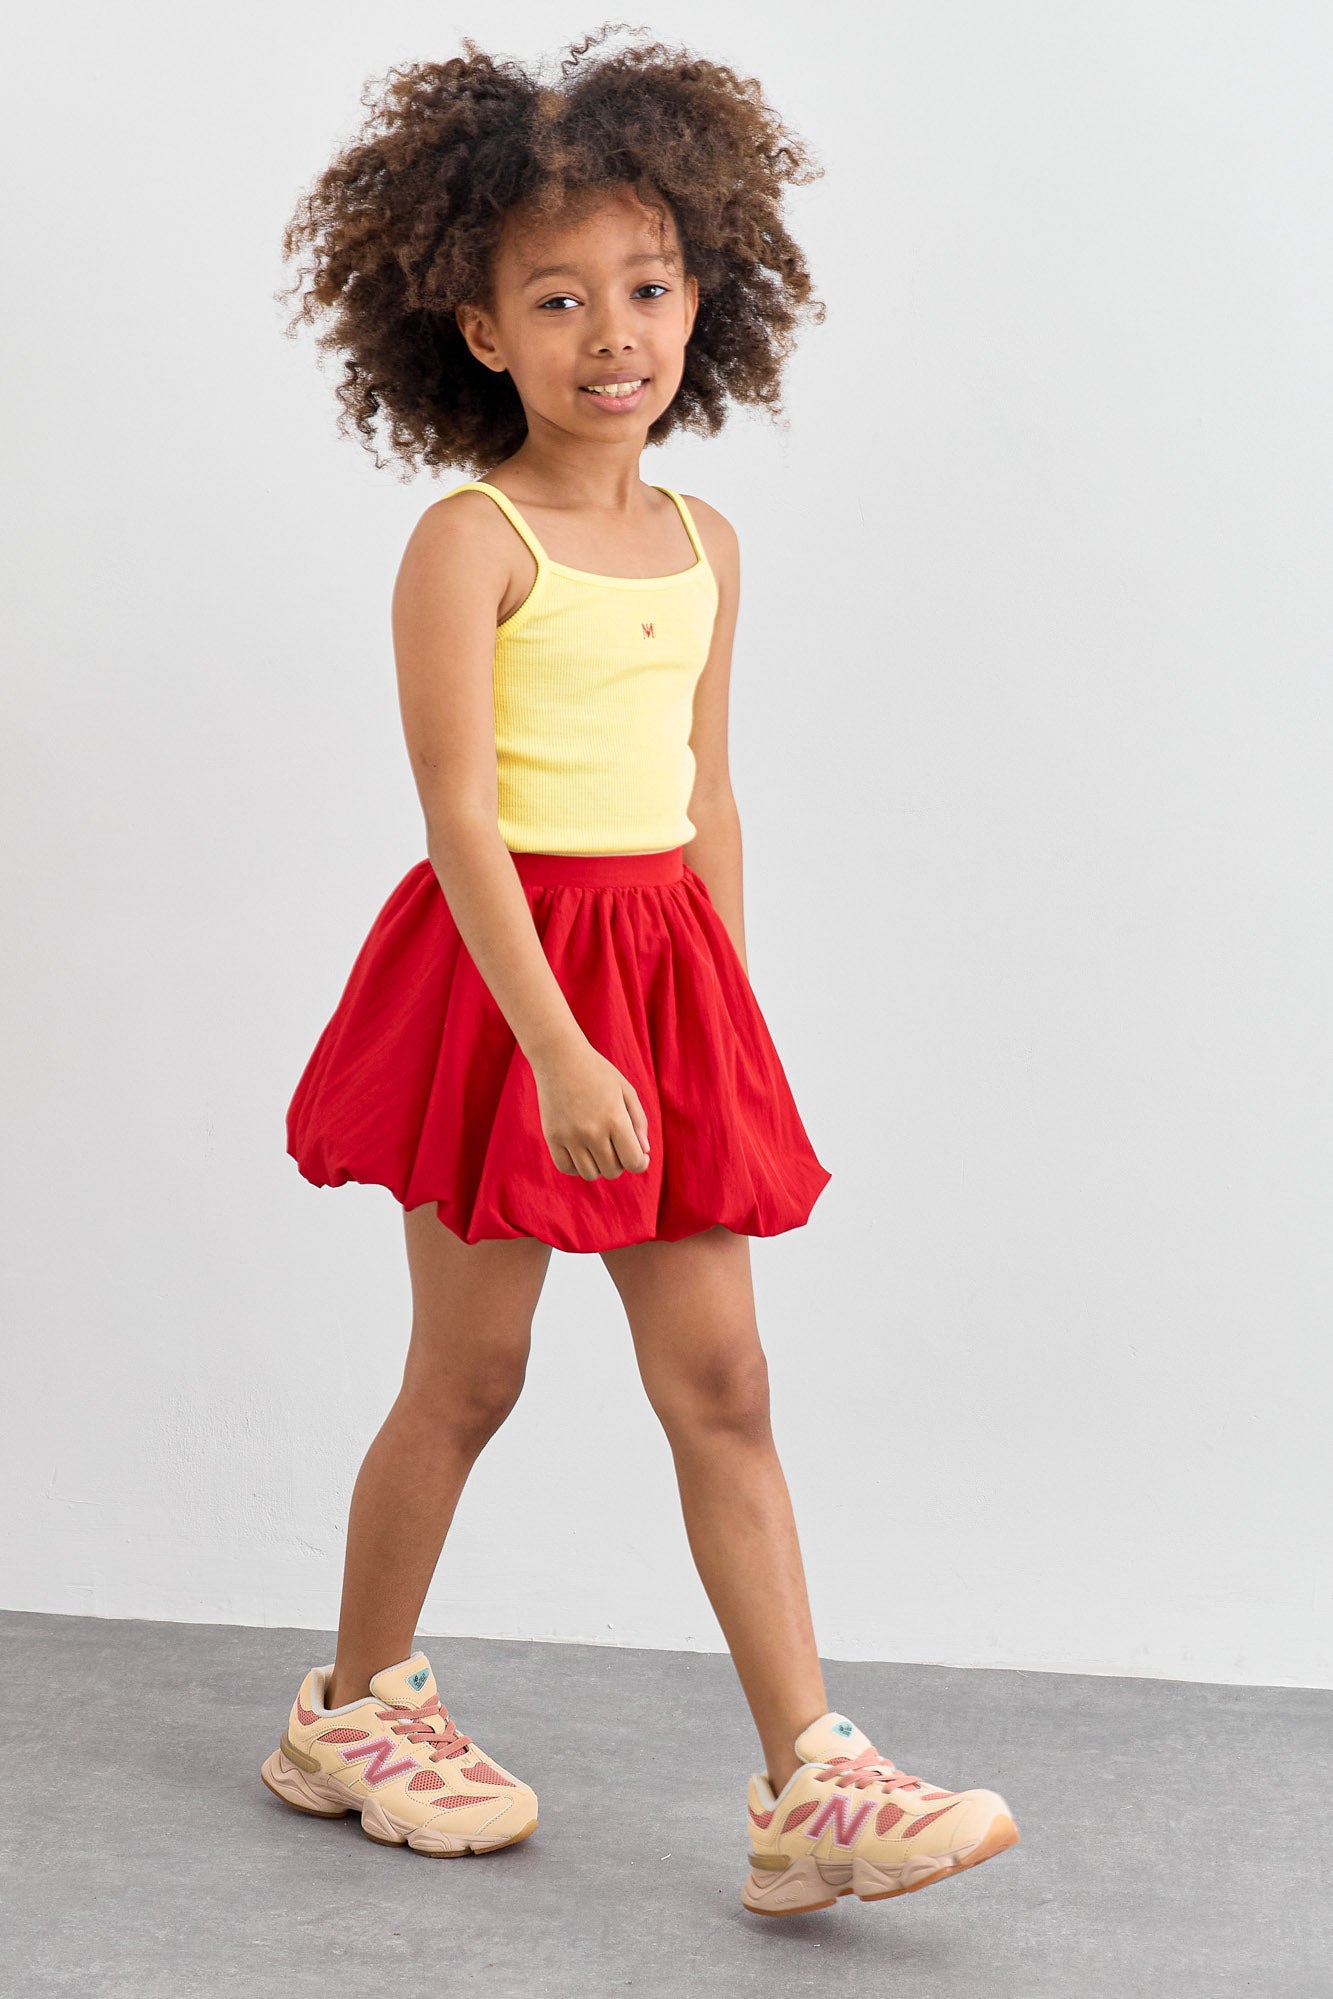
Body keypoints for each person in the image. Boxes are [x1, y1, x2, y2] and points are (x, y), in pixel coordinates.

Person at [259, 27, 1020, 1915]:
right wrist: (556, 1047)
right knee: (472, 1373)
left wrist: (718, 1026)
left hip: (664, 983)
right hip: (506, 987)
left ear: (706, 297)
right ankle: (351, 1708)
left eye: (650, 285)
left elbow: (706, 794)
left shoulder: (701, 541)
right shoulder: (469, 541)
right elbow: (460, 821)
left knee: (726, 1380)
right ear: (478, 327)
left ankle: (810, 1779)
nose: (615, 331)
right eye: (559, 297)